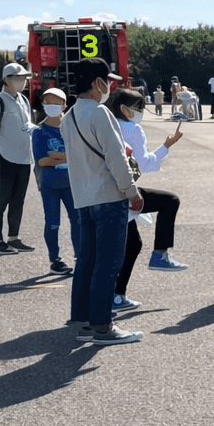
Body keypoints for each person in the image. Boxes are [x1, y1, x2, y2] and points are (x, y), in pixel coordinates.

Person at [62, 57, 144, 345]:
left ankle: (84, 319)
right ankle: (102, 325)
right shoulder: (101, 113)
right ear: (97, 83)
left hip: (83, 198)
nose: (109, 87)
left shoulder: (68, 115)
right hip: (108, 197)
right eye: (107, 82)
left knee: (87, 260)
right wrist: (132, 191)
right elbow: (116, 157)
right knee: (109, 262)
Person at [108, 88, 189, 310]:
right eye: (139, 108)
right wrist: (166, 146)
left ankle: (116, 296)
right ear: (125, 109)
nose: (142, 112)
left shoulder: (108, 124)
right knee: (170, 201)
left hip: (106, 190)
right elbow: (144, 164)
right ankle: (160, 254)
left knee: (131, 245)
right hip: (126, 191)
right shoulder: (133, 129)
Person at [0, 62, 40, 255]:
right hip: (4, 157)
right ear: (6, 80)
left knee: (18, 200)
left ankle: (13, 237)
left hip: (24, 157)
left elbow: (26, 124)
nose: (22, 82)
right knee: (0, 200)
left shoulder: (23, 99)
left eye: (24, 78)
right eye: (18, 78)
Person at [32, 88, 76, 274]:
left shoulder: (71, 128)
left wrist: (58, 156)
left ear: (64, 105)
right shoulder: (39, 131)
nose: (52, 106)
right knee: (53, 222)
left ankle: (81, 255)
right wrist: (68, 157)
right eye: (48, 102)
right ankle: (55, 259)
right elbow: (42, 160)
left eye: (56, 103)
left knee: (78, 221)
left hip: (72, 184)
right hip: (50, 184)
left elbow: (80, 154)